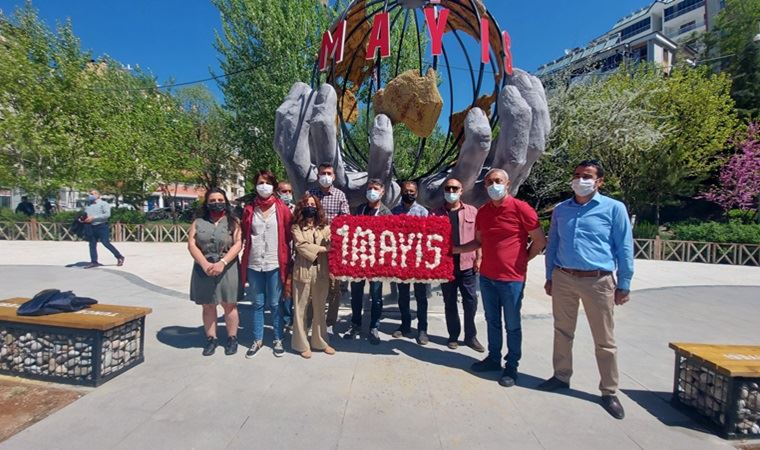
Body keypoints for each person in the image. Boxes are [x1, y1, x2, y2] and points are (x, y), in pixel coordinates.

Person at [539, 160, 634, 420]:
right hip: (564, 277)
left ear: (599, 181)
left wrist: (624, 283)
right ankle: (561, 376)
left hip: (598, 280)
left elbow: (624, 247)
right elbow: (553, 244)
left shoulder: (614, 209)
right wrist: (549, 277)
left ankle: (609, 390)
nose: (581, 180)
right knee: (562, 331)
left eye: (588, 176)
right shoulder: (561, 210)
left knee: (604, 339)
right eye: (578, 175)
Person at [453, 169, 546, 388]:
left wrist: (522, 261)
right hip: (486, 277)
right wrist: (455, 249)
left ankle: (511, 365)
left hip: (512, 279)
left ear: (507, 183)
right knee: (492, 321)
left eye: (498, 181)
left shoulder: (521, 208)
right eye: (489, 182)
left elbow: (539, 241)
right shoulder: (483, 212)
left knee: (512, 324)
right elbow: (478, 241)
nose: (494, 185)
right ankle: (494, 358)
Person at [241, 170, 293, 358]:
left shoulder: (282, 209)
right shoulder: (249, 209)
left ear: (273, 186)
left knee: (275, 303)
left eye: (268, 183)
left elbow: (288, 235)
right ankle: (257, 340)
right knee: (257, 303)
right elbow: (246, 232)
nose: (264, 186)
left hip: (275, 262)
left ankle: (278, 339)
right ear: (256, 185)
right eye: (261, 182)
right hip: (254, 263)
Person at [431, 177, 485, 352]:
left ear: (462, 191)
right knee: (450, 302)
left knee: (470, 301)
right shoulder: (435, 213)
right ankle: (453, 336)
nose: (451, 192)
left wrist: (479, 258)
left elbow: (479, 239)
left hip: (467, 264)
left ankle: (470, 337)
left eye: (455, 189)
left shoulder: (472, 212)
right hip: (446, 266)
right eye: (448, 189)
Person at [188, 188, 243, 356]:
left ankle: (232, 338)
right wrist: (204, 264)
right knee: (208, 304)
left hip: (228, 267)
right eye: (213, 200)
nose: (216, 203)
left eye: (220, 200)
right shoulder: (198, 222)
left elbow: (238, 243)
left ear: (225, 201)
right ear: (207, 202)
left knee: (229, 304)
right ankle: (211, 339)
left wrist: (222, 262)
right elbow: (191, 244)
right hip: (203, 267)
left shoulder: (233, 221)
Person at [343, 179, 392, 345]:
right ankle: (355, 324)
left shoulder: (387, 213)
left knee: (376, 296)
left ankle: (374, 327)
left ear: (382, 192)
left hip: (377, 262)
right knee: (356, 293)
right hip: (359, 259)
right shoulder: (360, 209)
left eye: (376, 188)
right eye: (370, 188)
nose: (372, 191)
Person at [290, 193, 336, 358]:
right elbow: (301, 246)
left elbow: (332, 240)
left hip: (321, 271)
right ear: (302, 207)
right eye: (307, 204)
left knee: (319, 307)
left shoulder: (324, 226)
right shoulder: (296, 226)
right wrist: (324, 249)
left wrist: (331, 242)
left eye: (313, 204)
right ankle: (301, 344)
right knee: (300, 308)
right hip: (303, 271)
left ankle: (320, 342)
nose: (311, 207)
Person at [308, 163, 350, 334]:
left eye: (329, 173)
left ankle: (330, 321)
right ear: (318, 175)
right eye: (322, 173)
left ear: (333, 176)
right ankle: (311, 319)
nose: (325, 176)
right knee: (313, 284)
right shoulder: (310, 195)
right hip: (314, 247)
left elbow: (346, 219)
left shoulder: (340, 195)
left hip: (333, 248)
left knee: (334, 287)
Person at [391, 181, 431, 345]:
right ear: (401, 192)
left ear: (417, 193)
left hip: (419, 260)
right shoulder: (394, 212)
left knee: (421, 296)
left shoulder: (423, 211)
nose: (409, 193)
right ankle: (405, 324)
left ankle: (422, 329)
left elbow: (429, 236)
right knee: (403, 296)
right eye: (406, 191)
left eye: (412, 191)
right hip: (401, 261)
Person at [81, 190, 125, 269]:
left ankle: (119, 257)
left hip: (101, 226)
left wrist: (94, 217)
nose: (91, 195)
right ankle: (94, 261)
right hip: (91, 226)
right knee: (92, 244)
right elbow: (85, 214)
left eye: (93, 194)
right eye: (90, 194)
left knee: (105, 242)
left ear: (98, 195)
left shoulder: (104, 204)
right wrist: (83, 218)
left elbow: (107, 214)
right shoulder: (88, 205)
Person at [276, 181, 295, 332]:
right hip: (276, 256)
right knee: (278, 290)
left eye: (289, 191)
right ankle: (281, 318)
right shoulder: (273, 209)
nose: (287, 194)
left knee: (288, 290)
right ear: (277, 192)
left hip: (293, 256)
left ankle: (288, 319)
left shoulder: (296, 210)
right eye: (284, 191)